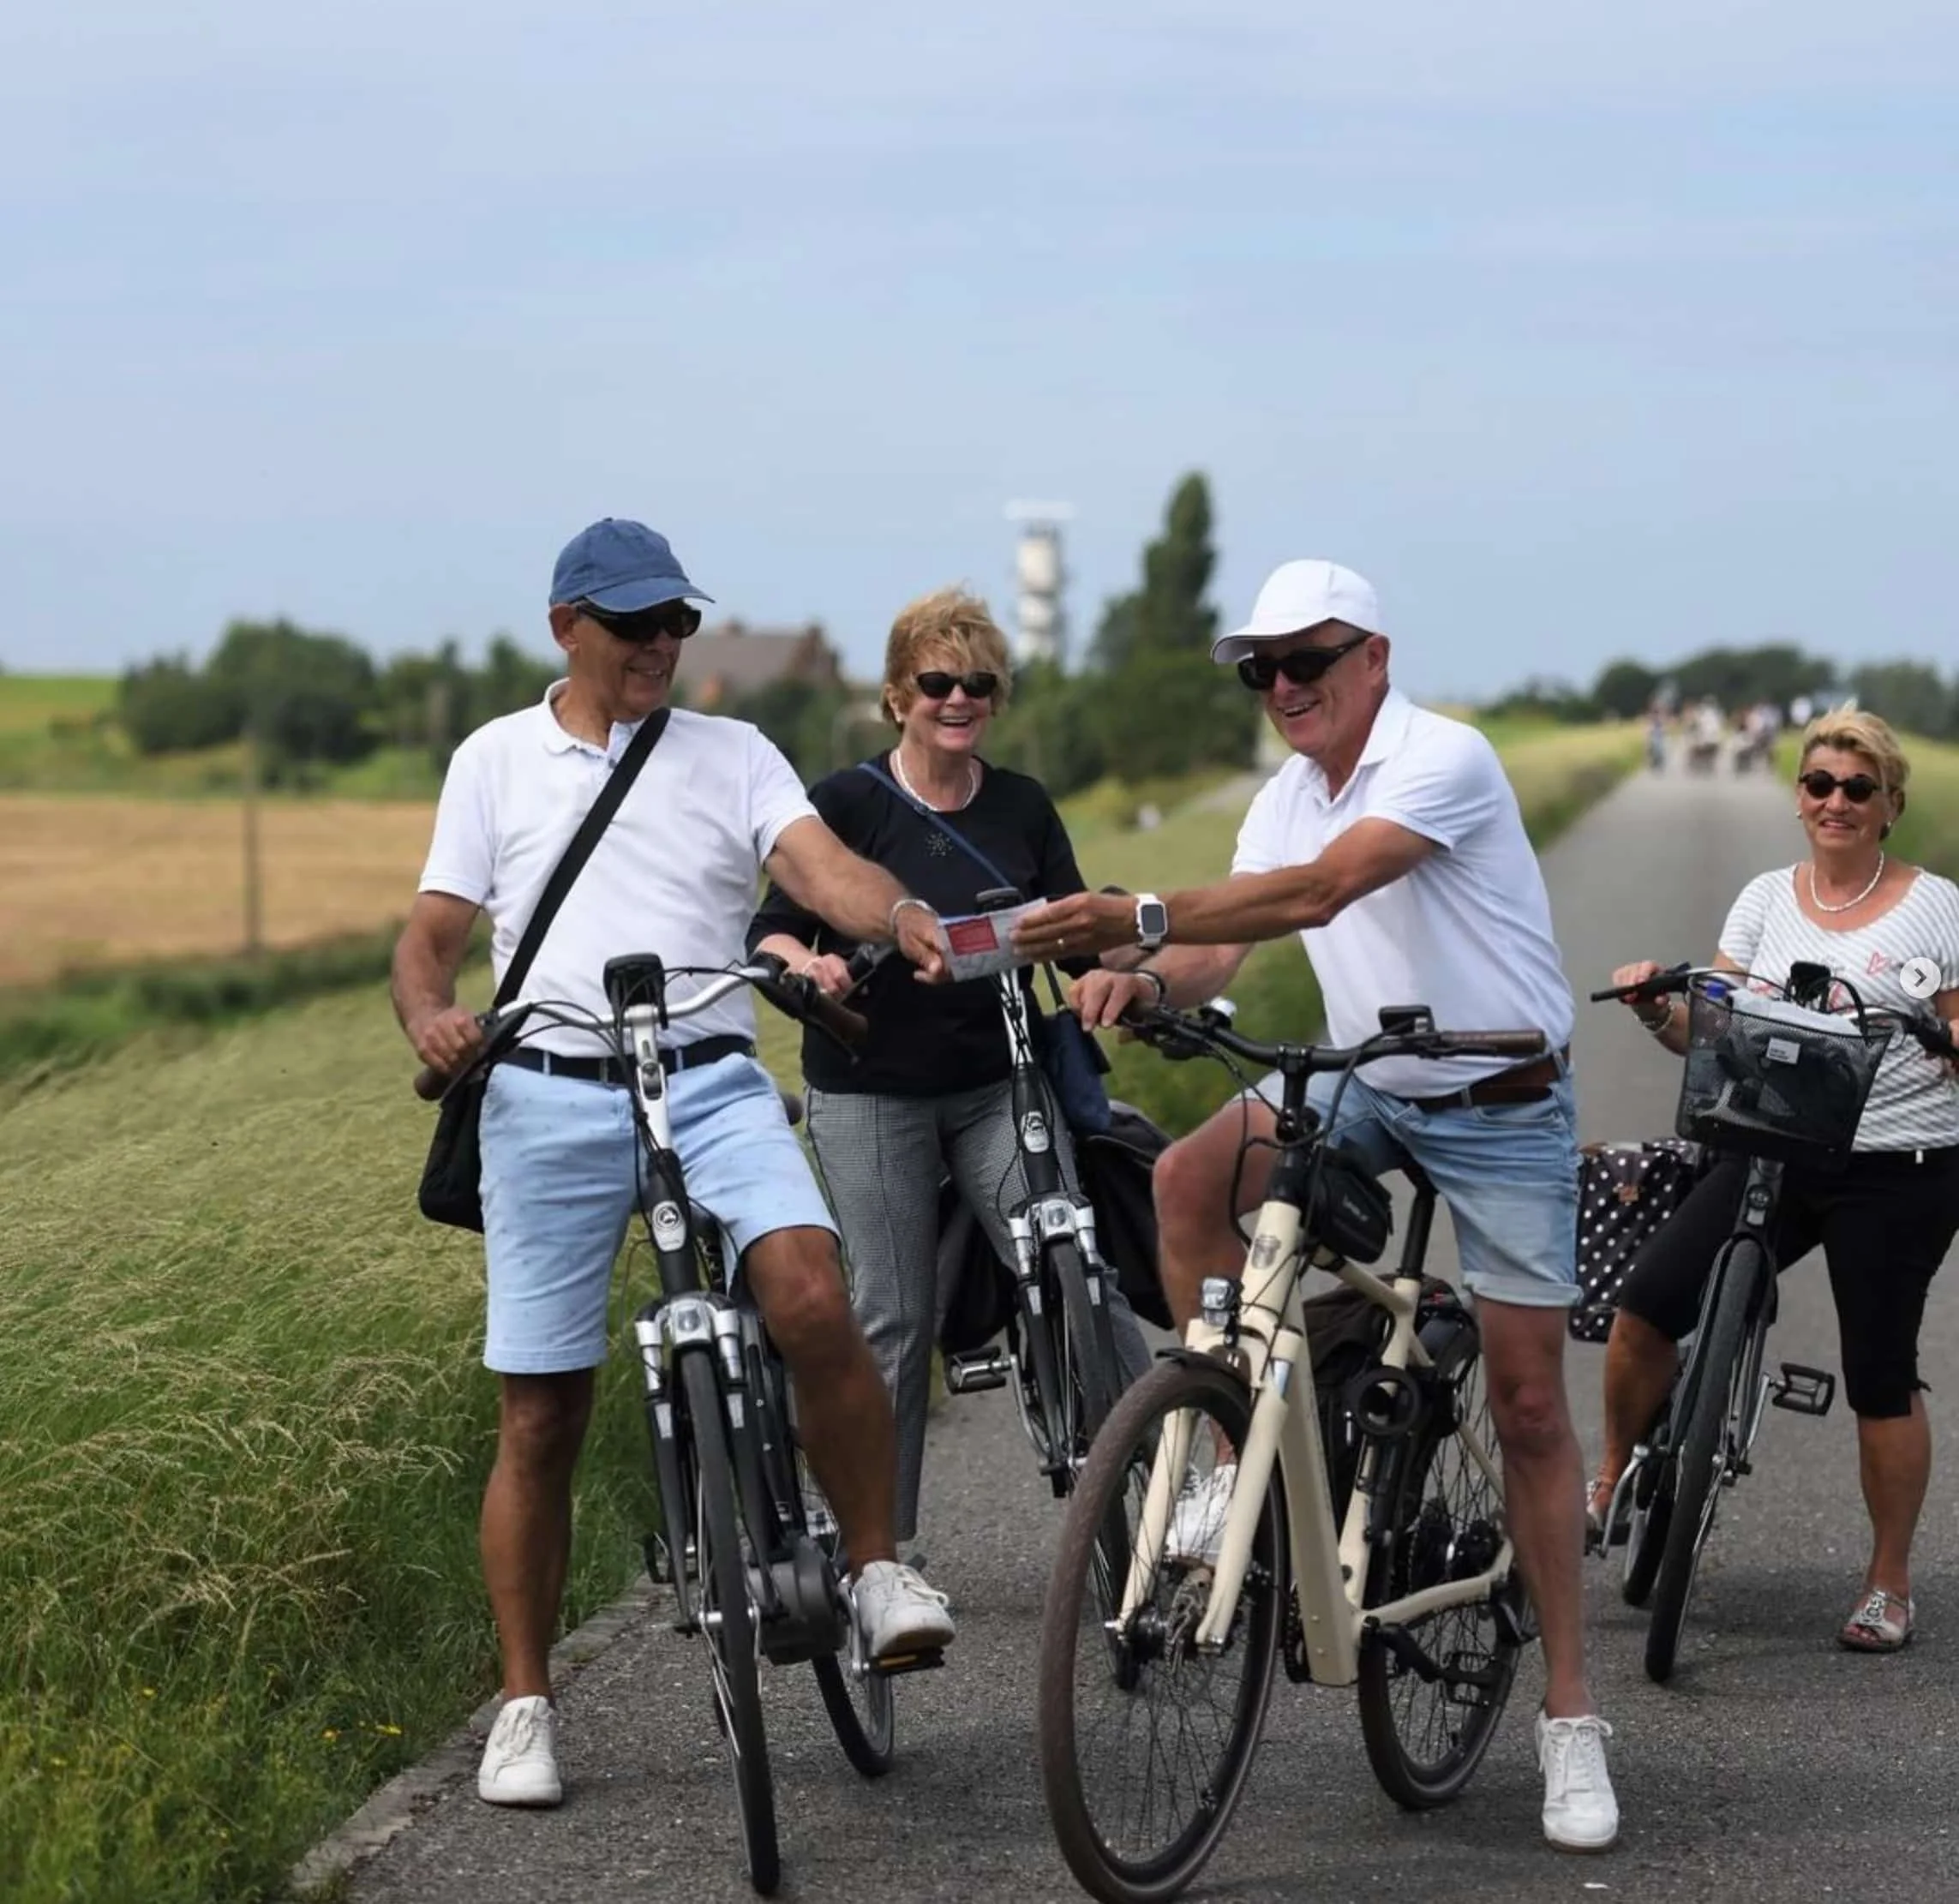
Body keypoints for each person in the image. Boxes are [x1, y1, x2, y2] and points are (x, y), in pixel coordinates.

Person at [1013, 557, 1621, 1853]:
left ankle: (1569, 1713)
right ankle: (1225, 1453)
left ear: (1373, 659)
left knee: (1522, 1403)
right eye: (1262, 668)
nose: (1283, 686)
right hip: (1367, 1086)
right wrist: (1140, 974)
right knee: (1185, 1179)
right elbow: (1222, 946)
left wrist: (1144, 911)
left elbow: (1322, 891)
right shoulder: (1285, 792)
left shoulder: (1437, 758)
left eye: (1308, 659)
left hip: (1502, 1092)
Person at [391, 519, 956, 1811]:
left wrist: (899, 913)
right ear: (565, 627)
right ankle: (525, 1703)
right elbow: (429, 936)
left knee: (812, 1292)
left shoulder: (731, 753)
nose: (661, 646)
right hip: (546, 1091)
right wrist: (430, 1013)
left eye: (678, 623)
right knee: (540, 1410)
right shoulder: (493, 760)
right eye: (636, 624)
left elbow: (821, 868)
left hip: (706, 1076)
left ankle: (874, 1570)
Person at [748, 586, 1151, 1560]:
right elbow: (772, 932)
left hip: (996, 1082)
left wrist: (1112, 977)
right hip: (869, 1087)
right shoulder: (845, 804)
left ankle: (1163, 1478)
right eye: (937, 682)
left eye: (978, 682)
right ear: (897, 697)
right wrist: (812, 966)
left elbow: (1071, 929)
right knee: (894, 1311)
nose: (957, 698)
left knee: (1075, 1260)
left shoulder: (1022, 805)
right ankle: (882, 1553)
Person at [1594, 705, 1959, 1651]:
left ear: (1889, 804)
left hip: (1898, 1163)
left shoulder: (1938, 905)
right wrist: (1655, 1011)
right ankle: (1609, 1477)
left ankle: (1888, 1581)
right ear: (1797, 796)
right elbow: (1707, 1034)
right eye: (1819, 784)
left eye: (1857, 787)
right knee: (1645, 1303)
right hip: (1771, 1149)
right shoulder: (1763, 899)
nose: (1835, 801)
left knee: (1881, 1372)